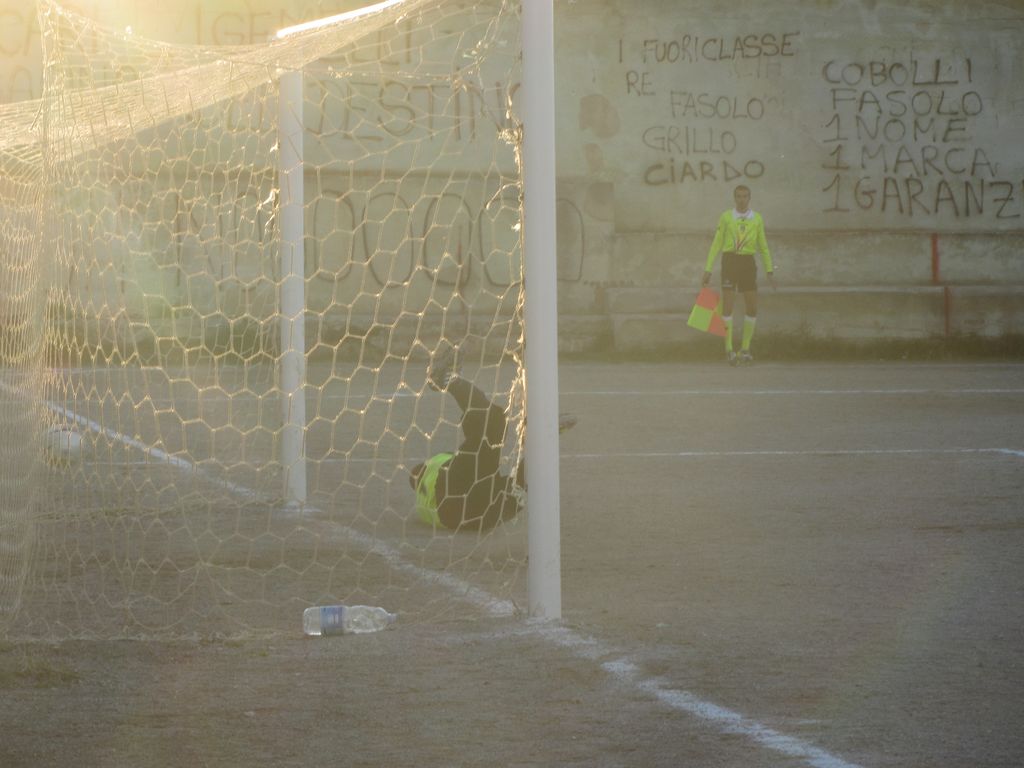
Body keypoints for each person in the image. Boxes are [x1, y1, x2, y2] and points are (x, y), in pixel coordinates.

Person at [409, 348, 575, 533]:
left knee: (519, 485)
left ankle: (542, 441)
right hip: (460, 498)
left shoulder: (426, 495)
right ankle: (448, 380)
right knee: (492, 423)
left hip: (474, 513)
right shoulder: (433, 469)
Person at [702, 184, 776, 365]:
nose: (742, 200)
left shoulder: (757, 218)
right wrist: (708, 269)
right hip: (730, 262)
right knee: (728, 305)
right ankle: (729, 350)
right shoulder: (726, 217)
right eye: (739, 196)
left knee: (752, 307)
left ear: (749, 198)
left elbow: (763, 246)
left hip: (747, 263)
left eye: (745, 196)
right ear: (734, 198)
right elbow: (716, 243)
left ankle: (745, 349)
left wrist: (769, 270)